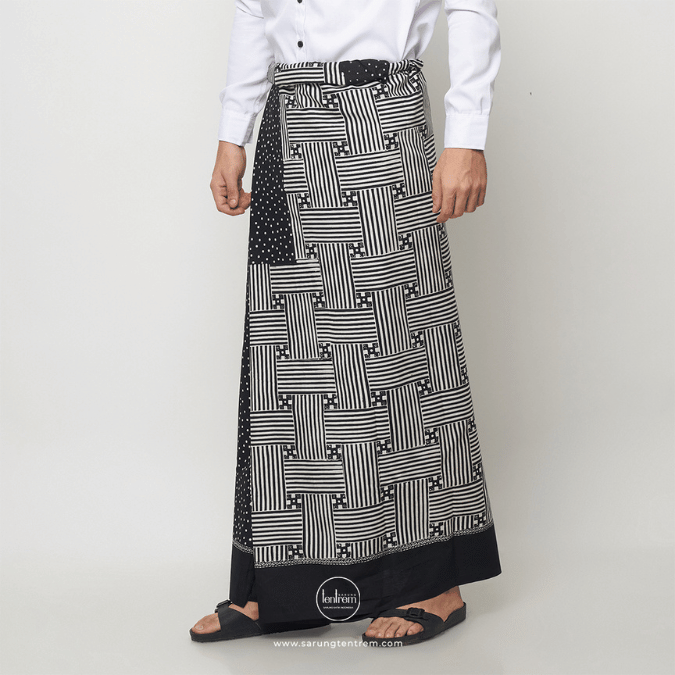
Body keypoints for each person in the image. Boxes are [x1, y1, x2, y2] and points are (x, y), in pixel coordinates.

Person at [191, 0, 502, 648]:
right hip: (287, 123)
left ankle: (434, 582)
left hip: (377, 115)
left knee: (400, 351)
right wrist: (233, 129)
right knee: (287, 364)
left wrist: (466, 135)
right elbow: (253, 8)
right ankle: (281, 586)